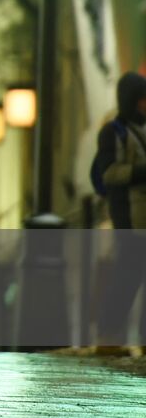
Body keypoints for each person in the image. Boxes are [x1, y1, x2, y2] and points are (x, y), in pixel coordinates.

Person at [91, 72, 146, 352]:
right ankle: (109, 336)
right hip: (129, 219)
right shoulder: (114, 132)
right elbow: (109, 172)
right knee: (127, 278)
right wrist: (139, 172)